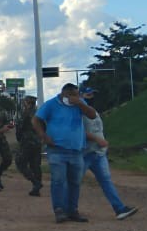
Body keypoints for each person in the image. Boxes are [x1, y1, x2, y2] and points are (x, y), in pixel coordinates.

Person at [32, 83, 98, 223]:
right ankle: (59, 210)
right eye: (72, 95)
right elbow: (36, 120)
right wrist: (43, 136)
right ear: (64, 94)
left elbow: (92, 115)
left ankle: (72, 210)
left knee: (75, 182)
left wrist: (80, 103)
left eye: (77, 94)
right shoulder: (51, 105)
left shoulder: (80, 104)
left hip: (76, 150)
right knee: (58, 181)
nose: (75, 97)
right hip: (57, 150)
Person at [80, 88, 138, 220]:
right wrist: (97, 139)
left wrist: (101, 140)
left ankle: (119, 209)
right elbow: (77, 131)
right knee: (74, 182)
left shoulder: (93, 111)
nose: (91, 97)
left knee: (106, 181)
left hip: (99, 153)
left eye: (93, 94)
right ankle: (67, 209)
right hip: (85, 153)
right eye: (88, 94)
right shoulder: (78, 112)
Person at [14, 95, 43, 196]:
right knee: (35, 165)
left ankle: (36, 182)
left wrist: (19, 138)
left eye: (24, 102)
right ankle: (36, 189)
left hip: (27, 142)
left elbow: (20, 127)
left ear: (28, 103)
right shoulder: (40, 113)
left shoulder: (25, 114)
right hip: (37, 142)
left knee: (20, 162)